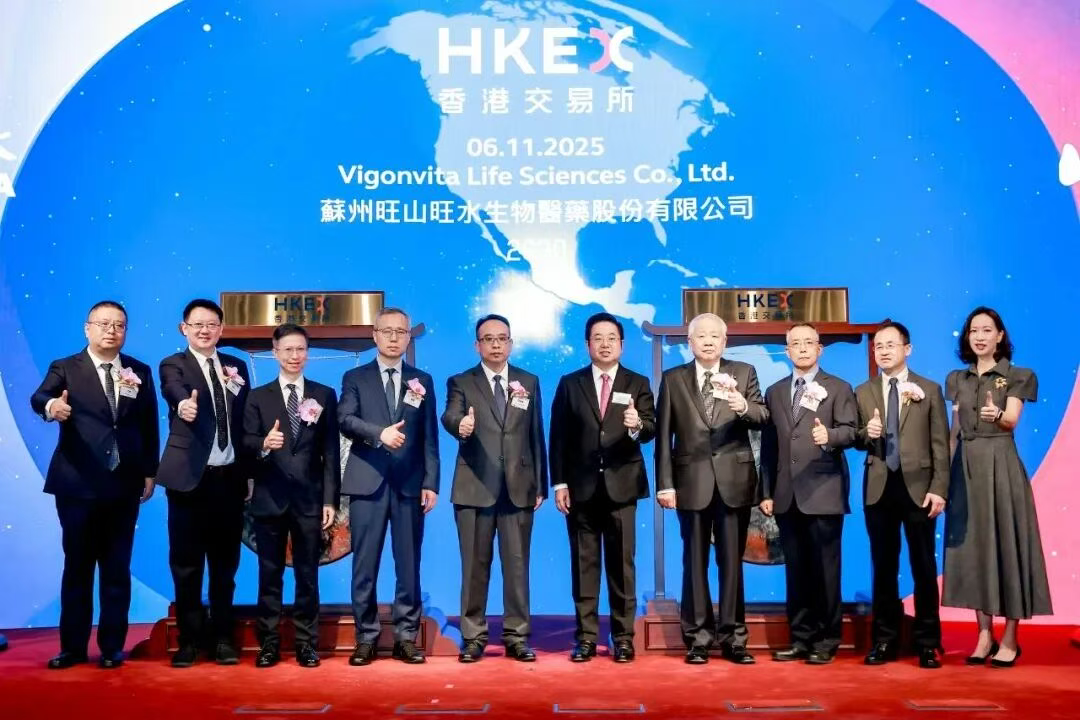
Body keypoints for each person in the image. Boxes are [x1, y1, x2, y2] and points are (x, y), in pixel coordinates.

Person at [30, 301, 158, 669]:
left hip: (124, 484)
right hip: (78, 484)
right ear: (87, 328)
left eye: (119, 325)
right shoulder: (66, 367)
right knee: (78, 567)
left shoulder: (139, 371)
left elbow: (149, 425)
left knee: (117, 567)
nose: (111, 331)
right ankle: (72, 648)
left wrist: (150, 471)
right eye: (103, 324)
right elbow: (40, 397)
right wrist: (52, 407)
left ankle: (112, 647)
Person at [655, 313, 768, 665]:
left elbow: (763, 416)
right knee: (694, 562)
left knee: (732, 563)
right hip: (690, 482)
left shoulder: (744, 373)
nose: (707, 341)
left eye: (714, 336)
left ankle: (734, 638)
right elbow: (663, 437)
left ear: (724, 341)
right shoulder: (673, 379)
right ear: (690, 342)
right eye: (700, 336)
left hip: (734, 481)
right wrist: (665, 485)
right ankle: (698, 638)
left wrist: (743, 406)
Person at [942, 306, 1052, 667]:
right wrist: (943, 479)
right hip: (966, 470)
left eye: (987, 330)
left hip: (1001, 466)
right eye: (974, 330)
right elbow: (954, 434)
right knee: (975, 551)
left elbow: (1012, 420)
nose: (979, 336)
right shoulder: (957, 379)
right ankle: (984, 634)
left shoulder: (1018, 375)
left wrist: (998, 415)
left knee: (1007, 547)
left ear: (1000, 336)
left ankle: (1010, 637)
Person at [549, 312, 656, 663]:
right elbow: (558, 437)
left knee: (622, 567)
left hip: (622, 486)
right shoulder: (571, 383)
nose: (605, 344)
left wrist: (637, 425)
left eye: (612, 338)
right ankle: (585, 638)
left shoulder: (637, 382)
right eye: (598, 338)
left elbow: (651, 428)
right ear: (587, 344)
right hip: (580, 488)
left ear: (622, 344)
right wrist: (560, 483)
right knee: (584, 566)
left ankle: (623, 638)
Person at [441, 314, 547, 663]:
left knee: (517, 567)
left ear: (511, 343)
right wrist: (462, 425)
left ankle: (517, 636)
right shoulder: (461, 382)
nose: (496, 344)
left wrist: (541, 484)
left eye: (502, 338)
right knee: (475, 567)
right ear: (477, 345)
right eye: (489, 339)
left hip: (519, 488)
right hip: (474, 487)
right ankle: (473, 637)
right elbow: (450, 416)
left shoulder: (528, 381)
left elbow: (535, 434)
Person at [338, 307, 438, 666]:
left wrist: (431, 482)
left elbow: (429, 437)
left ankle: (406, 637)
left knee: (408, 565)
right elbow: (344, 419)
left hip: (409, 485)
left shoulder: (422, 380)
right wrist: (379, 434)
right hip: (367, 483)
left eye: (401, 332)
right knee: (365, 566)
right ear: (375, 335)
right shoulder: (355, 377)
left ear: (409, 336)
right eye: (387, 331)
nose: (394, 338)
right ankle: (366, 637)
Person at [157, 298, 252, 667]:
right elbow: (172, 388)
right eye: (197, 324)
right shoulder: (174, 364)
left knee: (225, 566)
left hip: (228, 480)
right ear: (184, 328)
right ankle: (190, 640)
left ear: (221, 329)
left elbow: (243, 424)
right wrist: (184, 404)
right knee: (187, 566)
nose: (204, 330)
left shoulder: (235, 367)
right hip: (189, 482)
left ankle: (223, 638)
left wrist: (248, 474)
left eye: (211, 324)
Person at [242, 324, 340, 668]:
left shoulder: (324, 395)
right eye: (288, 350)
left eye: (300, 349)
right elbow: (245, 442)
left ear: (308, 353)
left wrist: (330, 500)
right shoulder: (258, 396)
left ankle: (306, 644)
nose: (295, 356)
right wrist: (263, 444)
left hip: (310, 501)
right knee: (269, 576)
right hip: (269, 499)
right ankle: (268, 644)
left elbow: (331, 452)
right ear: (275, 353)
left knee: (307, 576)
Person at [759, 322, 856, 665]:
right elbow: (769, 447)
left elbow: (852, 431)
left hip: (823, 491)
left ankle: (827, 640)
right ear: (787, 351)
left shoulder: (838, 387)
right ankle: (800, 639)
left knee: (825, 572)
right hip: (786, 495)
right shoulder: (774, 391)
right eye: (795, 343)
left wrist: (830, 436)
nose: (802, 348)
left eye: (808, 342)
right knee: (796, 572)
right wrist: (766, 491)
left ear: (819, 349)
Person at [854, 320, 949, 669]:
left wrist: (939, 489)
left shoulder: (929, 389)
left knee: (923, 567)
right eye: (878, 346)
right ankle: (884, 640)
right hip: (879, 488)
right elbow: (857, 438)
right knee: (883, 567)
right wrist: (867, 433)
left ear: (907, 349)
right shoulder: (863, 391)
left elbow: (941, 446)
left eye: (890, 345)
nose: (883, 351)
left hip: (919, 489)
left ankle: (927, 642)